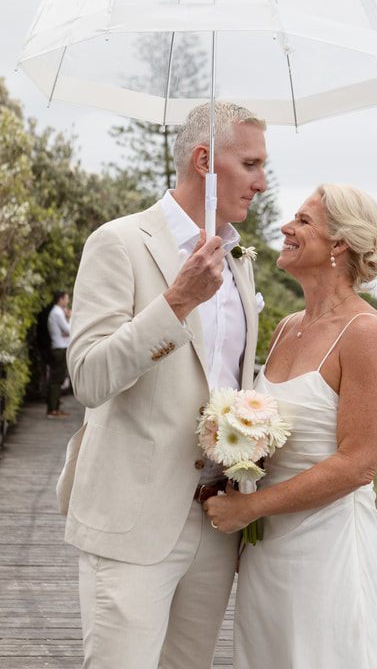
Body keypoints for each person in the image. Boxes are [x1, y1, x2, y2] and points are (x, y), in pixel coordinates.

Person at [55, 101, 268, 669]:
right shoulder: (118, 242)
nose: (262, 182)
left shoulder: (240, 260)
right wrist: (177, 301)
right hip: (132, 518)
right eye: (250, 164)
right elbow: (89, 377)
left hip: (215, 518)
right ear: (204, 160)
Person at [205, 183, 377, 668]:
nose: (286, 228)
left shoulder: (366, 333)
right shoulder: (288, 326)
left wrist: (247, 510)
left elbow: (357, 465)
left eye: (303, 221)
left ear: (339, 244)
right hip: (267, 547)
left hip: (325, 545)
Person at [46, 290, 71, 418]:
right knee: (57, 379)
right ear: (60, 300)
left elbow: (66, 332)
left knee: (58, 378)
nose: (68, 301)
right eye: (66, 299)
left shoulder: (58, 312)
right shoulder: (57, 312)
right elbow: (68, 330)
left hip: (60, 347)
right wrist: (70, 318)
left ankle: (55, 407)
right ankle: (53, 409)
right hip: (59, 348)